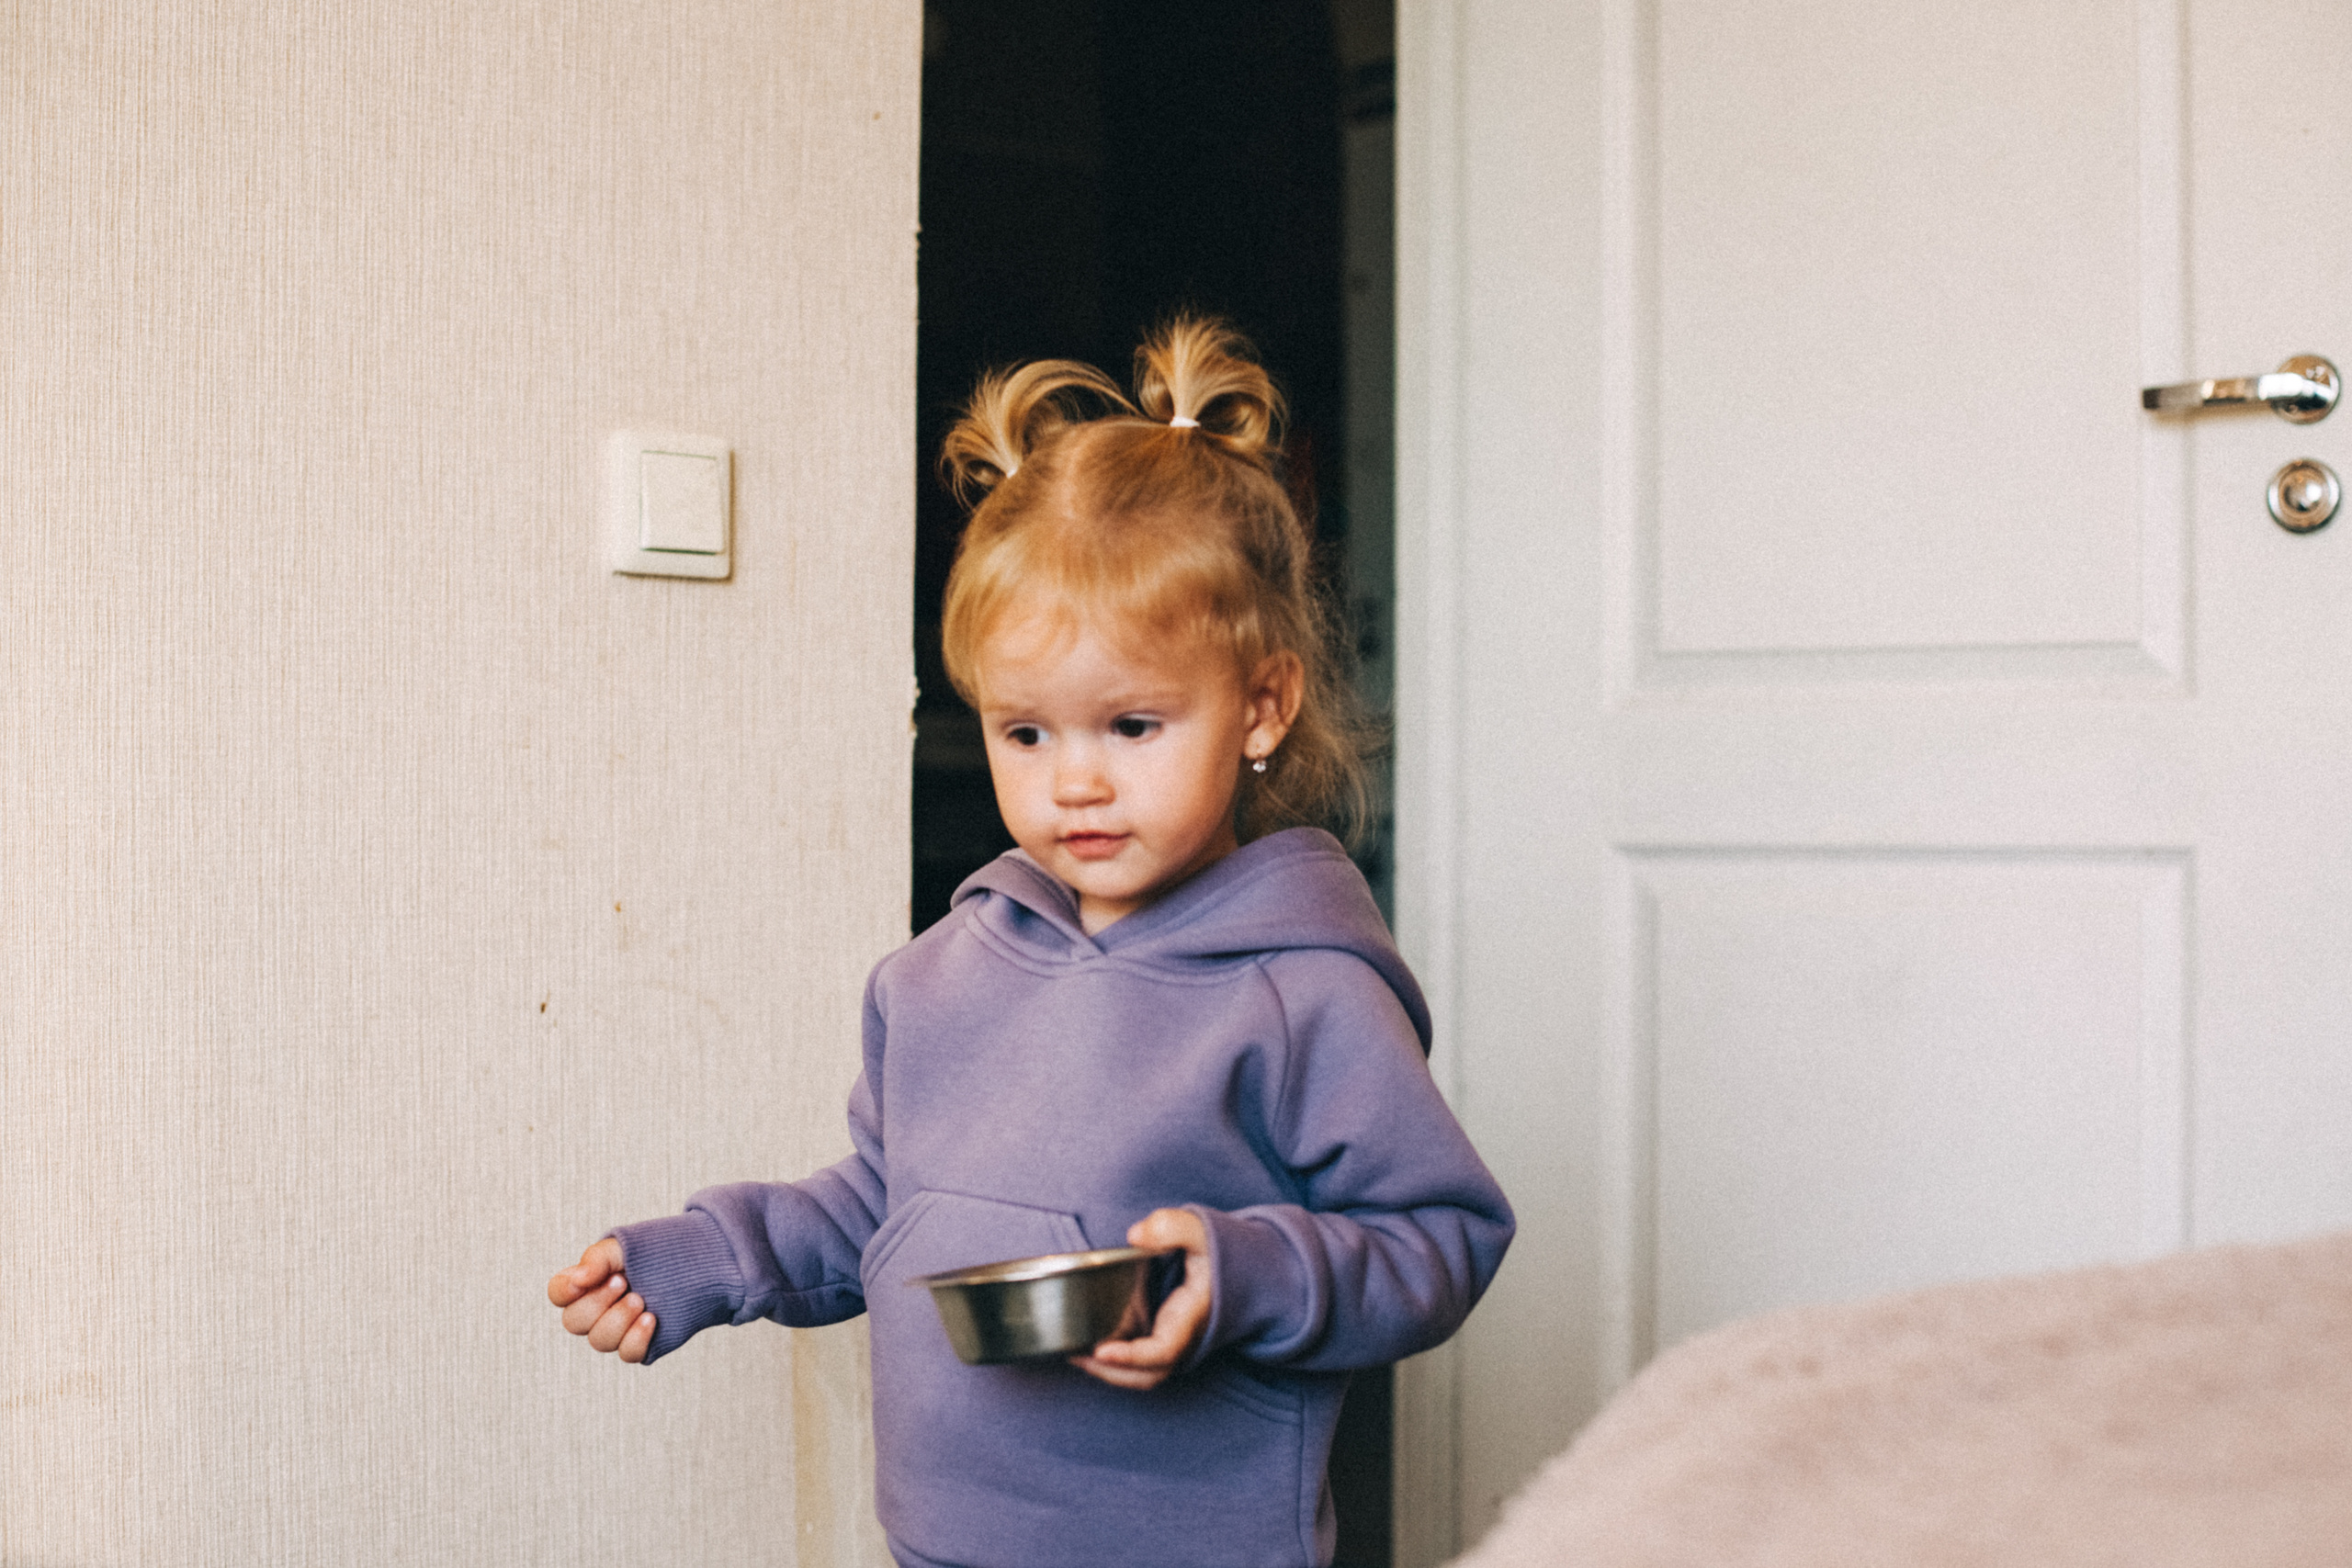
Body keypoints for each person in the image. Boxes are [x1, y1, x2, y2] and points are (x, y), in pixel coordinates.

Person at [547, 317, 1514, 1568]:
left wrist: (1245, 1275)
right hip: (945, 1541)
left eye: (1131, 725)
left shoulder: (1302, 995)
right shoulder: (939, 975)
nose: (1077, 786)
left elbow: (1442, 1239)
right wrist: (713, 1256)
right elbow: (886, 1210)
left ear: (1261, 706)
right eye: (1027, 734)